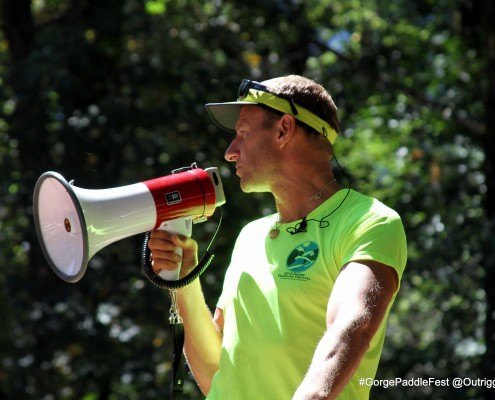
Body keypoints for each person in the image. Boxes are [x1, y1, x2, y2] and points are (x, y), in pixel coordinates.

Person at [148, 75, 407, 400]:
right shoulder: (250, 235)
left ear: (284, 129)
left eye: (242, 133)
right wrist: (185, 280)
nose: (230, 152)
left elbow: (349, 331)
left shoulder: (369, 221)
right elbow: (218, 372)